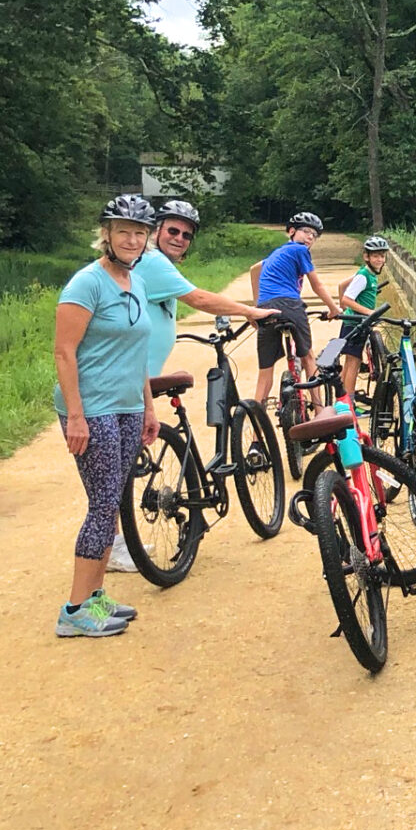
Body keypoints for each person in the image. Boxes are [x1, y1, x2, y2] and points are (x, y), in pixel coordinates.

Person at [106, 199, 276, 575]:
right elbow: (198, 298)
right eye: (173, 230)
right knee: (114, 473)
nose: (180, 238)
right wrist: (252, 311)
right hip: (121, 384)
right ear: (155, 230)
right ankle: (114, 547)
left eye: (186, 234)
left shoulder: (146, 266)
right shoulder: (151, 261)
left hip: (134, 382)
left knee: (119, 468)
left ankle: (115, 542)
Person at [51, 195, 158, 637]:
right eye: (123, 231)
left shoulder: (136, 282)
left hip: (128, 406)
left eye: (139, 232)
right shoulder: (86, 284)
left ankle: (96, 599)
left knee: (114, 500)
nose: (131, 240)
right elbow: (64, 351)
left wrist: (149, 404)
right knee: (101, 506)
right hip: (92, 409)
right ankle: (74, 610)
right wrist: (76, 416)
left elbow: (139, 351)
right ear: (107, 234)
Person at [249, 211, 341, 410]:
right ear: (291, 231)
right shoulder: (299, 250)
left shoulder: (277, 254)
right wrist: (333, 308)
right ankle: (319, 411)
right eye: (306, 232)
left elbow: (254, 269)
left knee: (265, 373)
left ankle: (257, 431)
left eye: (314, 236)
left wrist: (256, 307)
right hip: (289, 305)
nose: (310, 237)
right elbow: (316, 284)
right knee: (308, 356)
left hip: (266, 310)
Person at [335, 235, 392, 402]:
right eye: (375, 256)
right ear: (366, 257)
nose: (379, 259)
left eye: (382, 256)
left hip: (354, 323)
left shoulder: (367, 273)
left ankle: (342, 401)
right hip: (355, 325)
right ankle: (349, 404)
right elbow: (347, 298)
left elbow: (342, 286)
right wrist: (368, 312)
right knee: (354, 363)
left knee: (349, 362)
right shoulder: (364, 276)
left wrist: (346, 310)